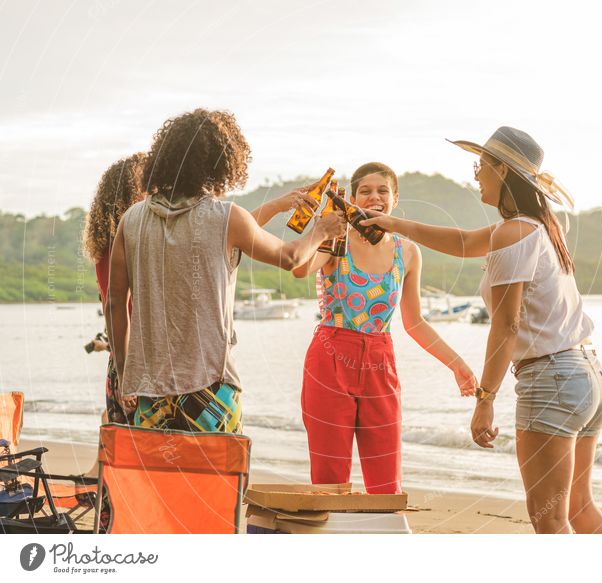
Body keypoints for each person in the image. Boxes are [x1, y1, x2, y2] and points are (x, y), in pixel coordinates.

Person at [362, 128, 602, 533]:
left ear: (502, 170)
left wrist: (485, 399)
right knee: (580, 508)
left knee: (550, 520)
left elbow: (506, 324)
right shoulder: (537, 226)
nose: (475, 173)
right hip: (588, 377)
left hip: (552, 379)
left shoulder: (513, 232)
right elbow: (462, 241)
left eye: (480, 165)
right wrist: (391, 222)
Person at [105, 108, 345, 433]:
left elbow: (116, 303)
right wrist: (321, 232)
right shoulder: (228, 217)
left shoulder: (131, 220)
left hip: (149, 392)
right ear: (222, 163)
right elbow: (291, 258)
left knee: (153, 483)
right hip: (210, 389)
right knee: (217, 483)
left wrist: (124, 373)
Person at [292, 162, 478, 494]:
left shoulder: (407, 253)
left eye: (382, 191)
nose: (374, 197)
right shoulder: (338, 239)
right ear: (351, 198)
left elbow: (415, 322)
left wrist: (457, 364)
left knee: (386, 484)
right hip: (330, 359)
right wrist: (321, 230)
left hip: (381, 363)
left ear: (395, 199)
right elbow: (300, 270)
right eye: (365, 191)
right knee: (330, 482)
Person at [83, 153, 146, 424]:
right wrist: (125, 374)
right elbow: (115, 307)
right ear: (132, 195)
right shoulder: (117, 247)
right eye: (148, 186)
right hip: (131, 364)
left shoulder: (116, 243)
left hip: (128, 362)